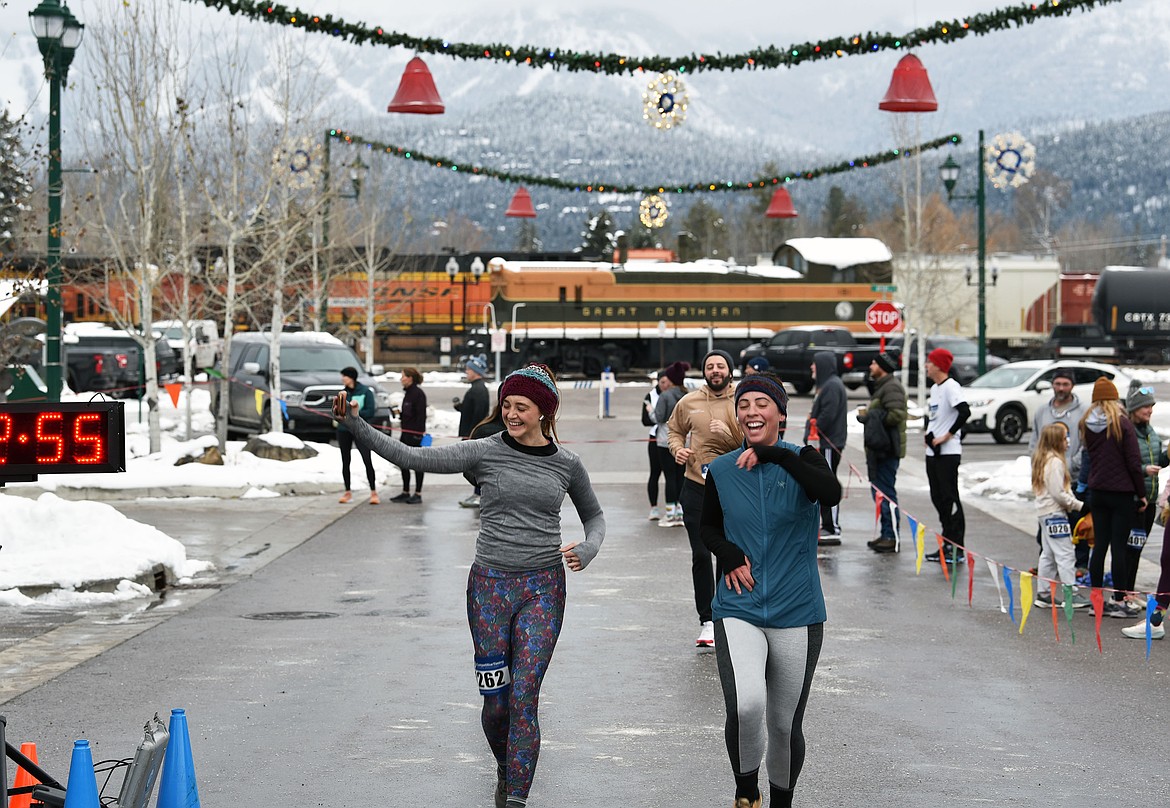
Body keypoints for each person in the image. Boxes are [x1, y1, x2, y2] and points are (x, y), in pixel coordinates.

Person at [333, 363, 605, 808]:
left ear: (544, 412)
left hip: (543, 589)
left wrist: (589, 547)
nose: (512, 414)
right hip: (488, 592)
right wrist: (355, 423)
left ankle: (516, 795)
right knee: (497, 704)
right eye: (508, 405)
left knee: (524, 697)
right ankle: (506, 763)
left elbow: (594, 517)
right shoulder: (484, 451)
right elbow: (411, 457)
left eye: (522, 407)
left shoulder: (567, 464)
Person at [700, 371, 841, 808]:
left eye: (762, 403)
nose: (751, 411)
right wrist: (727, 552)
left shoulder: (805, 460)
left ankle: (782, 801)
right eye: (744, 404)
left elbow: (830, 493)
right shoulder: (722, 469)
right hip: (738, 607)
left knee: (782, 724)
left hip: (796, 610)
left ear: (781, 413)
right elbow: (708, 527)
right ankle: (746, 793)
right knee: (746, 708)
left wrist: (777, 456)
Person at [667, 349, 743, 648]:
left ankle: (726, 616)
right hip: (696, 486)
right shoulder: (690, 401)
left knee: (728, 554)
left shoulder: (742, 401)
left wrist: (728, 433)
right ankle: (707, 620)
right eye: (710, 366)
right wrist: (677, 450)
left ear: (729, 370)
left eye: (720, 366)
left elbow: (751, 441)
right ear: (705, 372)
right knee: (701, 554)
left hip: (733, 489)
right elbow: (673, 430)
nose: (715, 370)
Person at [1080, 376, 1147, 619]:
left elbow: (1088, 458)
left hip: (1097, 492)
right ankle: (1119, 601)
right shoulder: (1122, 423)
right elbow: (1133, 462)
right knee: (1118, 548)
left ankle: (1095, 601)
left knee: (1099, 547)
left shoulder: (1086, 423)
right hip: (1121, 494)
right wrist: (1141, 494)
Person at [1029, 368, 1089, 571]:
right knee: (1047, 528)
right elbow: (1034, 442)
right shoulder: (1042, 411)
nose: (1061, 388)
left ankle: (1080, 565)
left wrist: (1071, 463)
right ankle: (1046, 566)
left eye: (1065, 384)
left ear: (1072, 386)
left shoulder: (1083, 411)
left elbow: (1085, 444)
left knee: (1076, 525)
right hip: (1048, 477)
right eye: (1057, 384)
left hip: (1073, 477)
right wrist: (1039, 464)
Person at [1031, 423, 1091, 609]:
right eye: (1065, 437)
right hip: (1055, 514)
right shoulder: (1055, 462)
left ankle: (1044, 593)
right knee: (1065, 554)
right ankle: (1070, 594)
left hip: (1044, 513)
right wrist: (1080, 506)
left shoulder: (1042, 460)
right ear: (1056, 440)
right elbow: (1058, 493)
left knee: (1048, 554)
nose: (1068, 441)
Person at [1117, 386, 1166, 611]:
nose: (1150, 410)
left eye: (1152, 406)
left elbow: (1159, 461)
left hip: (1151, 499)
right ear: (1135, 409)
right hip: (1135, 499)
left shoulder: (1151, 431)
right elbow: (1123, 464)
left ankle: (1129, 590)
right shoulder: (1127, 432)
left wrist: (1167, 455)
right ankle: (1122, 592)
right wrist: (1144, 469)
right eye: (1146, 406)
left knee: (1138, 547)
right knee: (1130, 547)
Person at [922, 348, 970, 564]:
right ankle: (946, 541)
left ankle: (957, 546)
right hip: (933, 452)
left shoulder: (951, 387)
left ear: (939, 366)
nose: (926, 366)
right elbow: (934, 416)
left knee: (949, 497)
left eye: (929, 363)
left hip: (948, 453)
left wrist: (947, 435)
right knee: (937, 497)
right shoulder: (935, 389)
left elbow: (964, 412)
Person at [857, 352, 906, 554]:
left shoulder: (892, 387)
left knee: (886, 492)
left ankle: (891, 536)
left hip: (887, 450)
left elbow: (897, 414)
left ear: (883, 366)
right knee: (879, 493)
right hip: (879, 450)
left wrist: (872, 418)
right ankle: (887, 533)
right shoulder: (881, 386)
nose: (870, 365)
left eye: (874, 363)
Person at [804, 352, 848, 544]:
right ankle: (827, 524)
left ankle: (833, 527)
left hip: (828, 444)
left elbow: (828, 415)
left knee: (828, 483)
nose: (812, 368)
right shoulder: (827, 385)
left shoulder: (831, 386)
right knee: (822, 483)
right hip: (823, 443)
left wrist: (814, 428)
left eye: (814, 364)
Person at [336, 366, 379, 505]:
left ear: (352, 377)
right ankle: (347, 491)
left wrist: (355, 413)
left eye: (345, 376)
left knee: (367, 459)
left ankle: (373, 491)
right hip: (344, 430)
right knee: (345, 461)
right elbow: (337, 411)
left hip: (360, 430)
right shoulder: (343, 394)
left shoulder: (365, 392)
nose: (343, 379)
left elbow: (370, 411)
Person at [655, 361, 690, 528]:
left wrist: (650, 411)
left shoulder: (666, 396)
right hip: (685, 442)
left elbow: (659, 417)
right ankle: (681, 512)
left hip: (665, 441)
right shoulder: (687, 395)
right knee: (681, 477)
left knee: (669, 477)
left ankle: (670, 514)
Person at [455, 355, 491, 507]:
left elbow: (479, 414)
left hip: (474, 435)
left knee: (476, 466)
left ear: (476, 371)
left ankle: (480, 494)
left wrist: (472, 435)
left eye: (469, 369)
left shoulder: (479, 389)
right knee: (474, 466)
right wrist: (459, 406)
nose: (466, 371)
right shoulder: (476, 388)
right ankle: (477, 493)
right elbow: (470, 410)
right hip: (471, 434)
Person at [390, 367, 427, 504]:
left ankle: (418, 493)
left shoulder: (418, 394)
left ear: (410, 378)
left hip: (415, 434)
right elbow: (409, 412)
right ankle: (405, 491)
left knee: (417, 464)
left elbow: (421, 416)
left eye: (403, 376)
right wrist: (398, 413)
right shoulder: (408, 393)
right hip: (405, 433)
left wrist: (418, 434)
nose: (401, 379)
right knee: (403, 462)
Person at [642, 375, 664, 521]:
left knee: (674, 475)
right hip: (655, 438)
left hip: (672, 438)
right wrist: (660, 419)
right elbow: (645, 420)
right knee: (655, 473)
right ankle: (654, 508)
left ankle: (676, 507)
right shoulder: (650, 395)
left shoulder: (675, 393)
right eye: (663, 382)